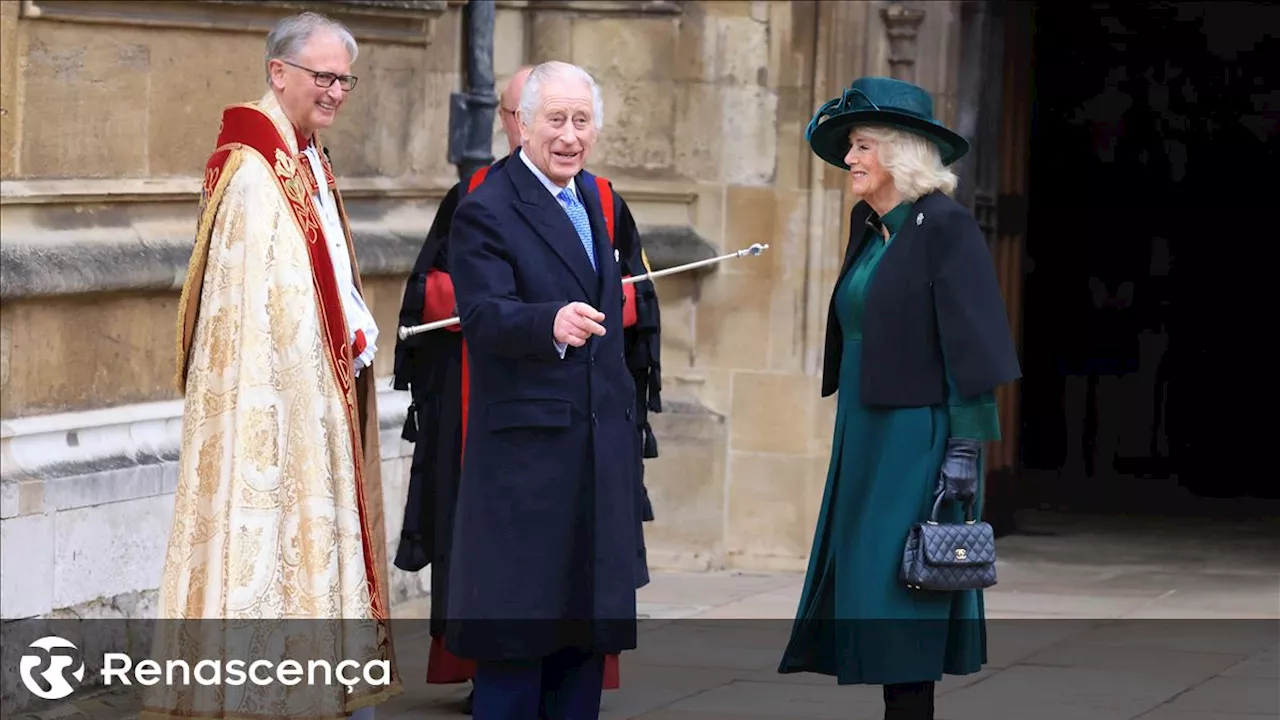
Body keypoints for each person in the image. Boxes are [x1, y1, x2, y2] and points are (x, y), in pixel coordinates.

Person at [141, 12, 400, 720]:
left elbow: (321, 276)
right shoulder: (257, 173)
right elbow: (264, 307)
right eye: (324, 76)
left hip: (316, 402)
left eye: (345, 78)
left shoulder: (304, 154)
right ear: (278, 71)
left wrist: (351, 319)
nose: (337, 91)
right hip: (277, 410)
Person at [391, 65, 661, 714]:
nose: (569, 136)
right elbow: (481, 316)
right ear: (523, 125)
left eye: (581, 121)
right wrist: (550, 321)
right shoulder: (487, 204)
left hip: (595, 456)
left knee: (581, 650)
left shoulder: (597, 197)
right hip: (526, 464)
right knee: (517, 651)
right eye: (555, 121)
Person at [777, 77, 1021, 720]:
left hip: (917, 440)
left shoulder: (945, 226)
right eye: (851, 147)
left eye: (861, 146)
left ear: (898, 153)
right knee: (873, 589)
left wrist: (965, 448)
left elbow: (974, 349)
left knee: (905, 594)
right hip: (866, 431)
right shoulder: (874, 226)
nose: (850, 159)